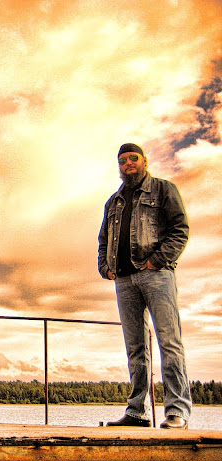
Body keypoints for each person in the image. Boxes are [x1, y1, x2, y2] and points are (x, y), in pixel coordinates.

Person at [98, 143, 191, 429]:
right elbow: (103, 240)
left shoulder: (163, 190)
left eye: (133, 158)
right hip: (124, 280)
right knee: (135, 348)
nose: (128, 163)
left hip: (157, 275)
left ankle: (177, 411)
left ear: (144, 161)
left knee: (169, 341)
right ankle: (137, 412)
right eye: (122, 160)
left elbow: (180, 230)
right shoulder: (113, 202)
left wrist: (157, 261)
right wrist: (105, 268)